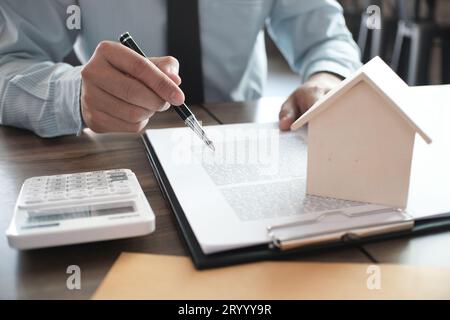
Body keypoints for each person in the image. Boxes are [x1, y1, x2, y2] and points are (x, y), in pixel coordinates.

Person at [0, 0, 361, 137]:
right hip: (117, 146)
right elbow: (7, 65)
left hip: (243, 139)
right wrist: (75, 94)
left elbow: (326, 36)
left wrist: (328, 78)